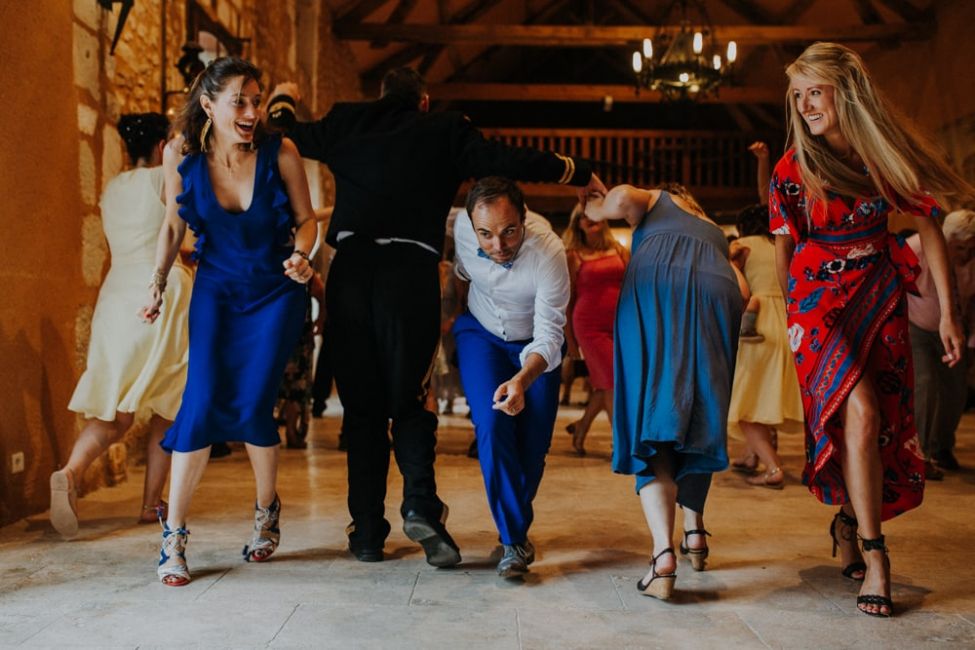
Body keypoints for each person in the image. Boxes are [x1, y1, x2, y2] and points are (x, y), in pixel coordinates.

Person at [266, 67, 605, 566]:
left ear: (381, 95)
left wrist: (282, 101)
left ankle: (366, 530)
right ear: (424, 101)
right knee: (410, 398)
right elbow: (503, 162)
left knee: (361, 410)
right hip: (410, 276)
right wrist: (575, 170)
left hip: (352, 275)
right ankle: (420, 502)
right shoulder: (445, 130)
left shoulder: (346, 121)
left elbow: (286, 133)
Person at [770, 42, 971, 617]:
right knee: (855, 412)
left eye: (816, 91)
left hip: (878, 296)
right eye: (799, 93)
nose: (806, 104)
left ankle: (848, 524)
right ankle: (877, 555)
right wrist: (795, 320)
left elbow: (930, 224)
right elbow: (786, 251)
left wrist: (950, 313)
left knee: (879, 422)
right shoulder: (793, 167)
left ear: (845, 92)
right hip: (815, 305)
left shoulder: (880, 157)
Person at [143, 57, 317, 586]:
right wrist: (156, 281)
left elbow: (307, 221)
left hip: (275, 292)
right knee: (201, 399)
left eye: (256, 100)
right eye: (239, 100)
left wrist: (304, 255)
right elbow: (174, 225)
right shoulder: (180, 154)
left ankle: (266, 511)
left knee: (251, 402)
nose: (251, 111)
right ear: (208, 104)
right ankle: (173, 535)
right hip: (216, 291)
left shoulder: (279, 151)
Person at [584, 182, 746, 600]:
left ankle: (662, 557)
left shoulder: (657, 200)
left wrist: (598, 209)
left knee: (651, 420)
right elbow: (742, 291)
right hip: (718, 299)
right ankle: (694, 532)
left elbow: (620, 199)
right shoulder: (710, 228)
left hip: (660, 294)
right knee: (695, 420)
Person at [50, 113, 191, 539]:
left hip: (114, 299)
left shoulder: (111, 188)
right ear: (162, 144)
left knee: (117, 413)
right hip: (159, 292)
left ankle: (70, 473)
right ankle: (151, 504)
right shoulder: (162, 178)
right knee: (170, 406)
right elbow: (178, 231)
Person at [449, 178, 567, 578]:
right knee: (493, 421)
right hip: (480, 334)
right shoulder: (461, 227)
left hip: (535, 346)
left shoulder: (549, 250)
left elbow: (551, 333)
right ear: (471, 224)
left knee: (533, 445)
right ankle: (514, 541)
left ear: (524, 216)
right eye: (486, 234)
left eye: (509, 231)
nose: (498, 245)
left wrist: (523, 377)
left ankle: (513, 525)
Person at [727, 204, 804, 490]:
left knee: (745, 405)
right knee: (766, 395)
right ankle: (751, 456)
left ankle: (773, 468)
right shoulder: (786, 246)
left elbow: (734, 284)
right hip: (787, 322)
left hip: (757, 326)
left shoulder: (741, 245)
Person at [908, 209, 975, 475]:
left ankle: (941, 447)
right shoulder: (916, 247)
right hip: (916, 326)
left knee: (956, 390)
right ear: (946, 238)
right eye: (961, 247)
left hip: (955, 328)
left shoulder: (971, 259)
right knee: (924, 384)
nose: (967, 253)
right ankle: (919, 453)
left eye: (972, 247)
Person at [562, 203, 628, 455]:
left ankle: (581, 428)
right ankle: (622, 444)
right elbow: (567, 300)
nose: (589, 219)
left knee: (605, 384)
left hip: (621, 325)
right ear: (577, 223)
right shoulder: (573, 255)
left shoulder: (620, 250)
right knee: (612, 381)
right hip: (589, 326)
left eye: (593, 214)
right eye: (582, 216)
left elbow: (634, 289)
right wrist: (570, 341)